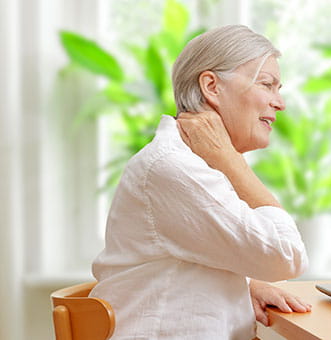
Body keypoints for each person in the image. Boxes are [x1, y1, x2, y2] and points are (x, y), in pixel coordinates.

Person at [89, 25, 311, 340]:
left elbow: (189, 253)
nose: (280, 103)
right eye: (267, 85)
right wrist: (233, 162)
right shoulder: (173, 167)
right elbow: (286, 256)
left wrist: (246, 284)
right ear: (211, 86)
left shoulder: (191, 164)